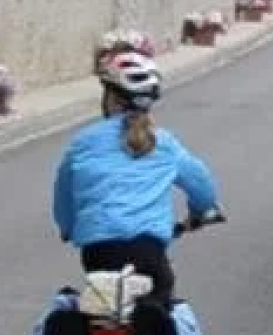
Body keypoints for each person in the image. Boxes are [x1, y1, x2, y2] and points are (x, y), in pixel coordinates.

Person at [51, 51, 219, 305]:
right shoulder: (164, 143)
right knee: (165, 316)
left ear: (110, 99)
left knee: (98, 312)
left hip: (99, 253)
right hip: (148, 252)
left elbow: (63, 196)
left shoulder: (82, 143)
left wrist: (67, 227)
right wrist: (201, 211)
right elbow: (202, 185)